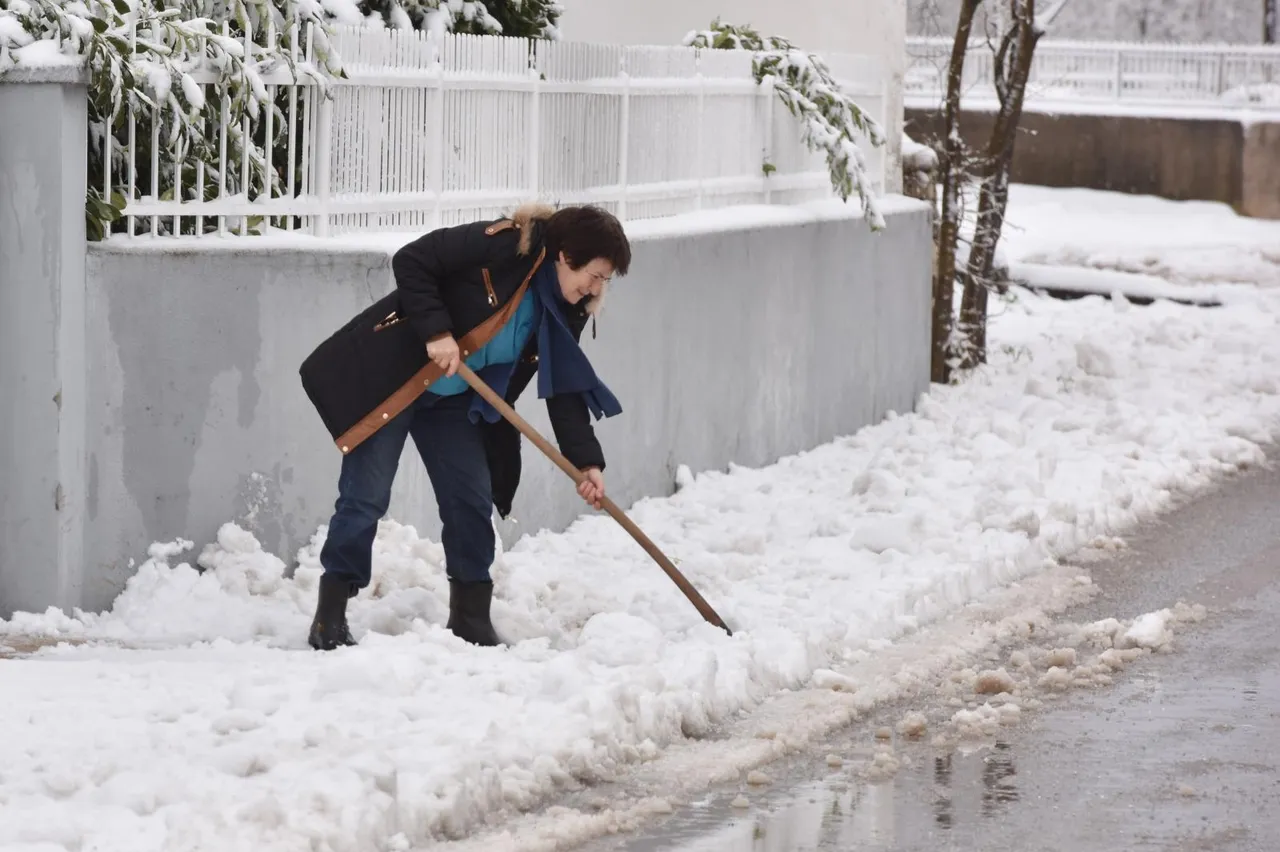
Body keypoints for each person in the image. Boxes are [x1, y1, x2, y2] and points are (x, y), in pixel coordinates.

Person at [298, 203, 632, 651]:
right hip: (399, 380)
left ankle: (470, 617)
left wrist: (586, 462)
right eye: (594, 274)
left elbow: (565, 389)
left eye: (604, 280)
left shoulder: (567, 308)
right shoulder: (505, 245)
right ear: (565, 255)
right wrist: (436, 331)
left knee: (470, 500)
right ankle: (331, 614)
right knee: (366, 496)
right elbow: (413, 260)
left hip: (455, 402)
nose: (596, 288)